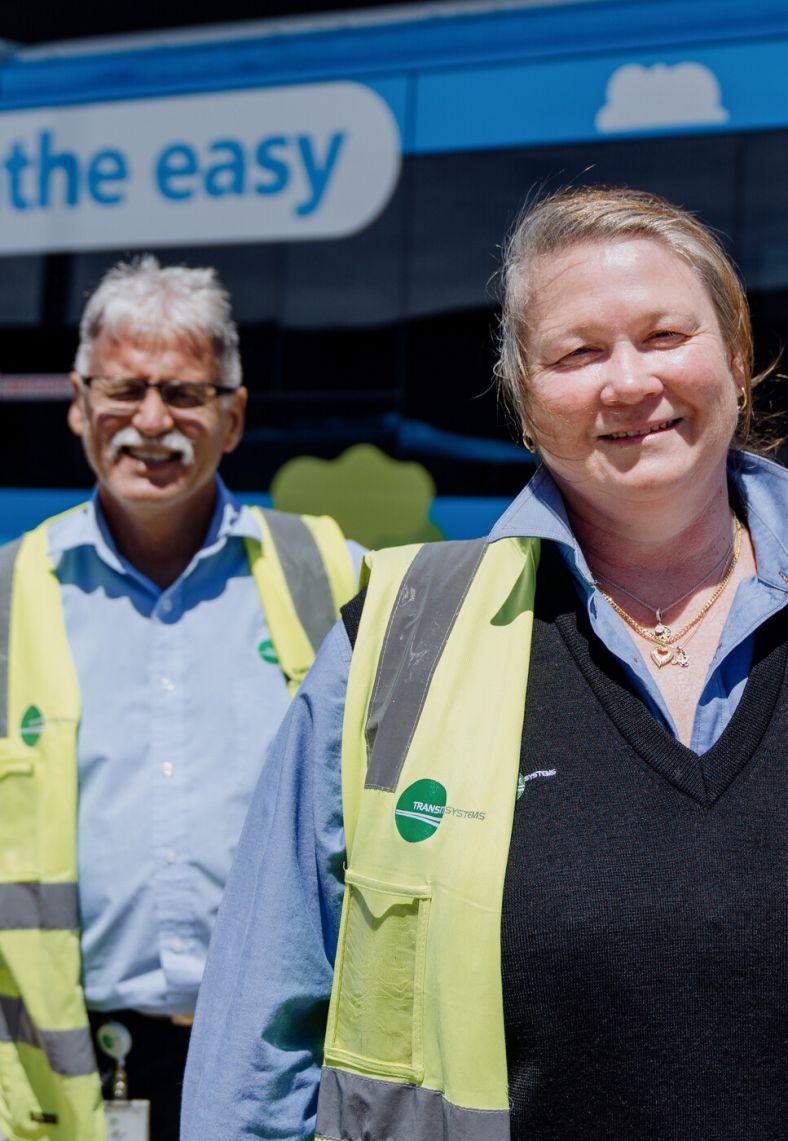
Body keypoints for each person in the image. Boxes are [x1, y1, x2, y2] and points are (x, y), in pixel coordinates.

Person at [181, 187, 787, 1140]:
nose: (627, 381)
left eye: (666, 336)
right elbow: (259, 1035)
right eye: (578, 353)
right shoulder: (393, 639)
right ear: (525, 401)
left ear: (738, 359)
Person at [0, 257, 362, 1141]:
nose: (152, 421)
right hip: (63, 1074)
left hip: (279, 1071)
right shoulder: (10, 592)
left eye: (186, 394)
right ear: (81, 404)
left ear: (232, 417)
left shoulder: (332, 574)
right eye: (125, 389)